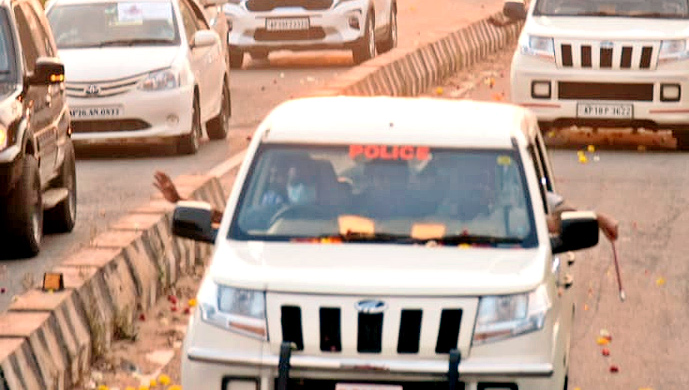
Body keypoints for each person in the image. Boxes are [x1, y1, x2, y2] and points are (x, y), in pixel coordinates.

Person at [153, 170, 620, 243]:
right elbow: (235, 217)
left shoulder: (448, 209)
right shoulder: (335, 203)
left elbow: (545, 219)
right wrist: (183, 203)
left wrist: (592, 217)